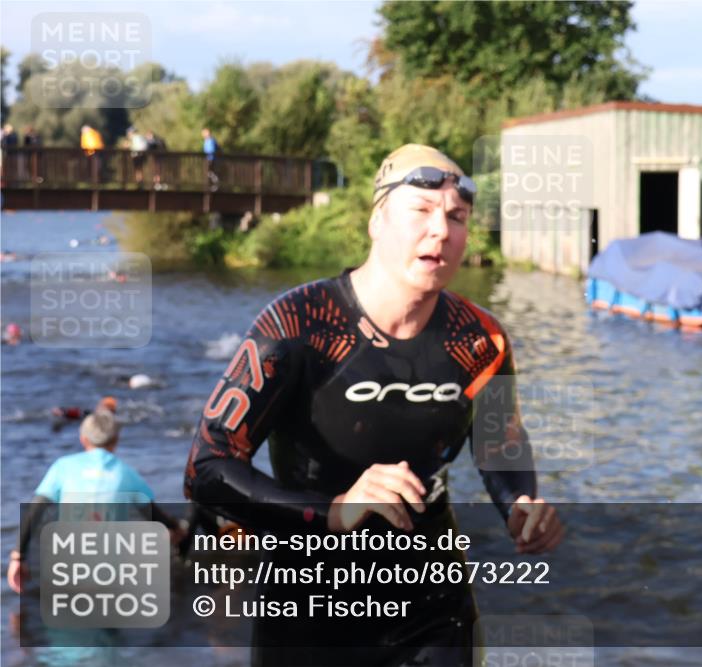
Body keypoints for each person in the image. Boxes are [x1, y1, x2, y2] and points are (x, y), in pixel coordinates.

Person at [184, 143, 563, 666]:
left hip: (433, 608)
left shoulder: (480, 338)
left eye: (457, 217)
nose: (441, 231)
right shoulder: (298, 326)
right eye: (422, 211)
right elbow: (206, 468)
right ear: (378, 222)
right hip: (307, 608)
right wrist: (334, 512)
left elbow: (499, 443)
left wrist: (521, 504)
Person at [8, 397, 184, 594]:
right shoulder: (126, 473)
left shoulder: (63, 467)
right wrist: (176, 528)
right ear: (116, 440)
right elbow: (154, 515)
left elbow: (35, 511)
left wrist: (18, 557)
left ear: (83, 438)